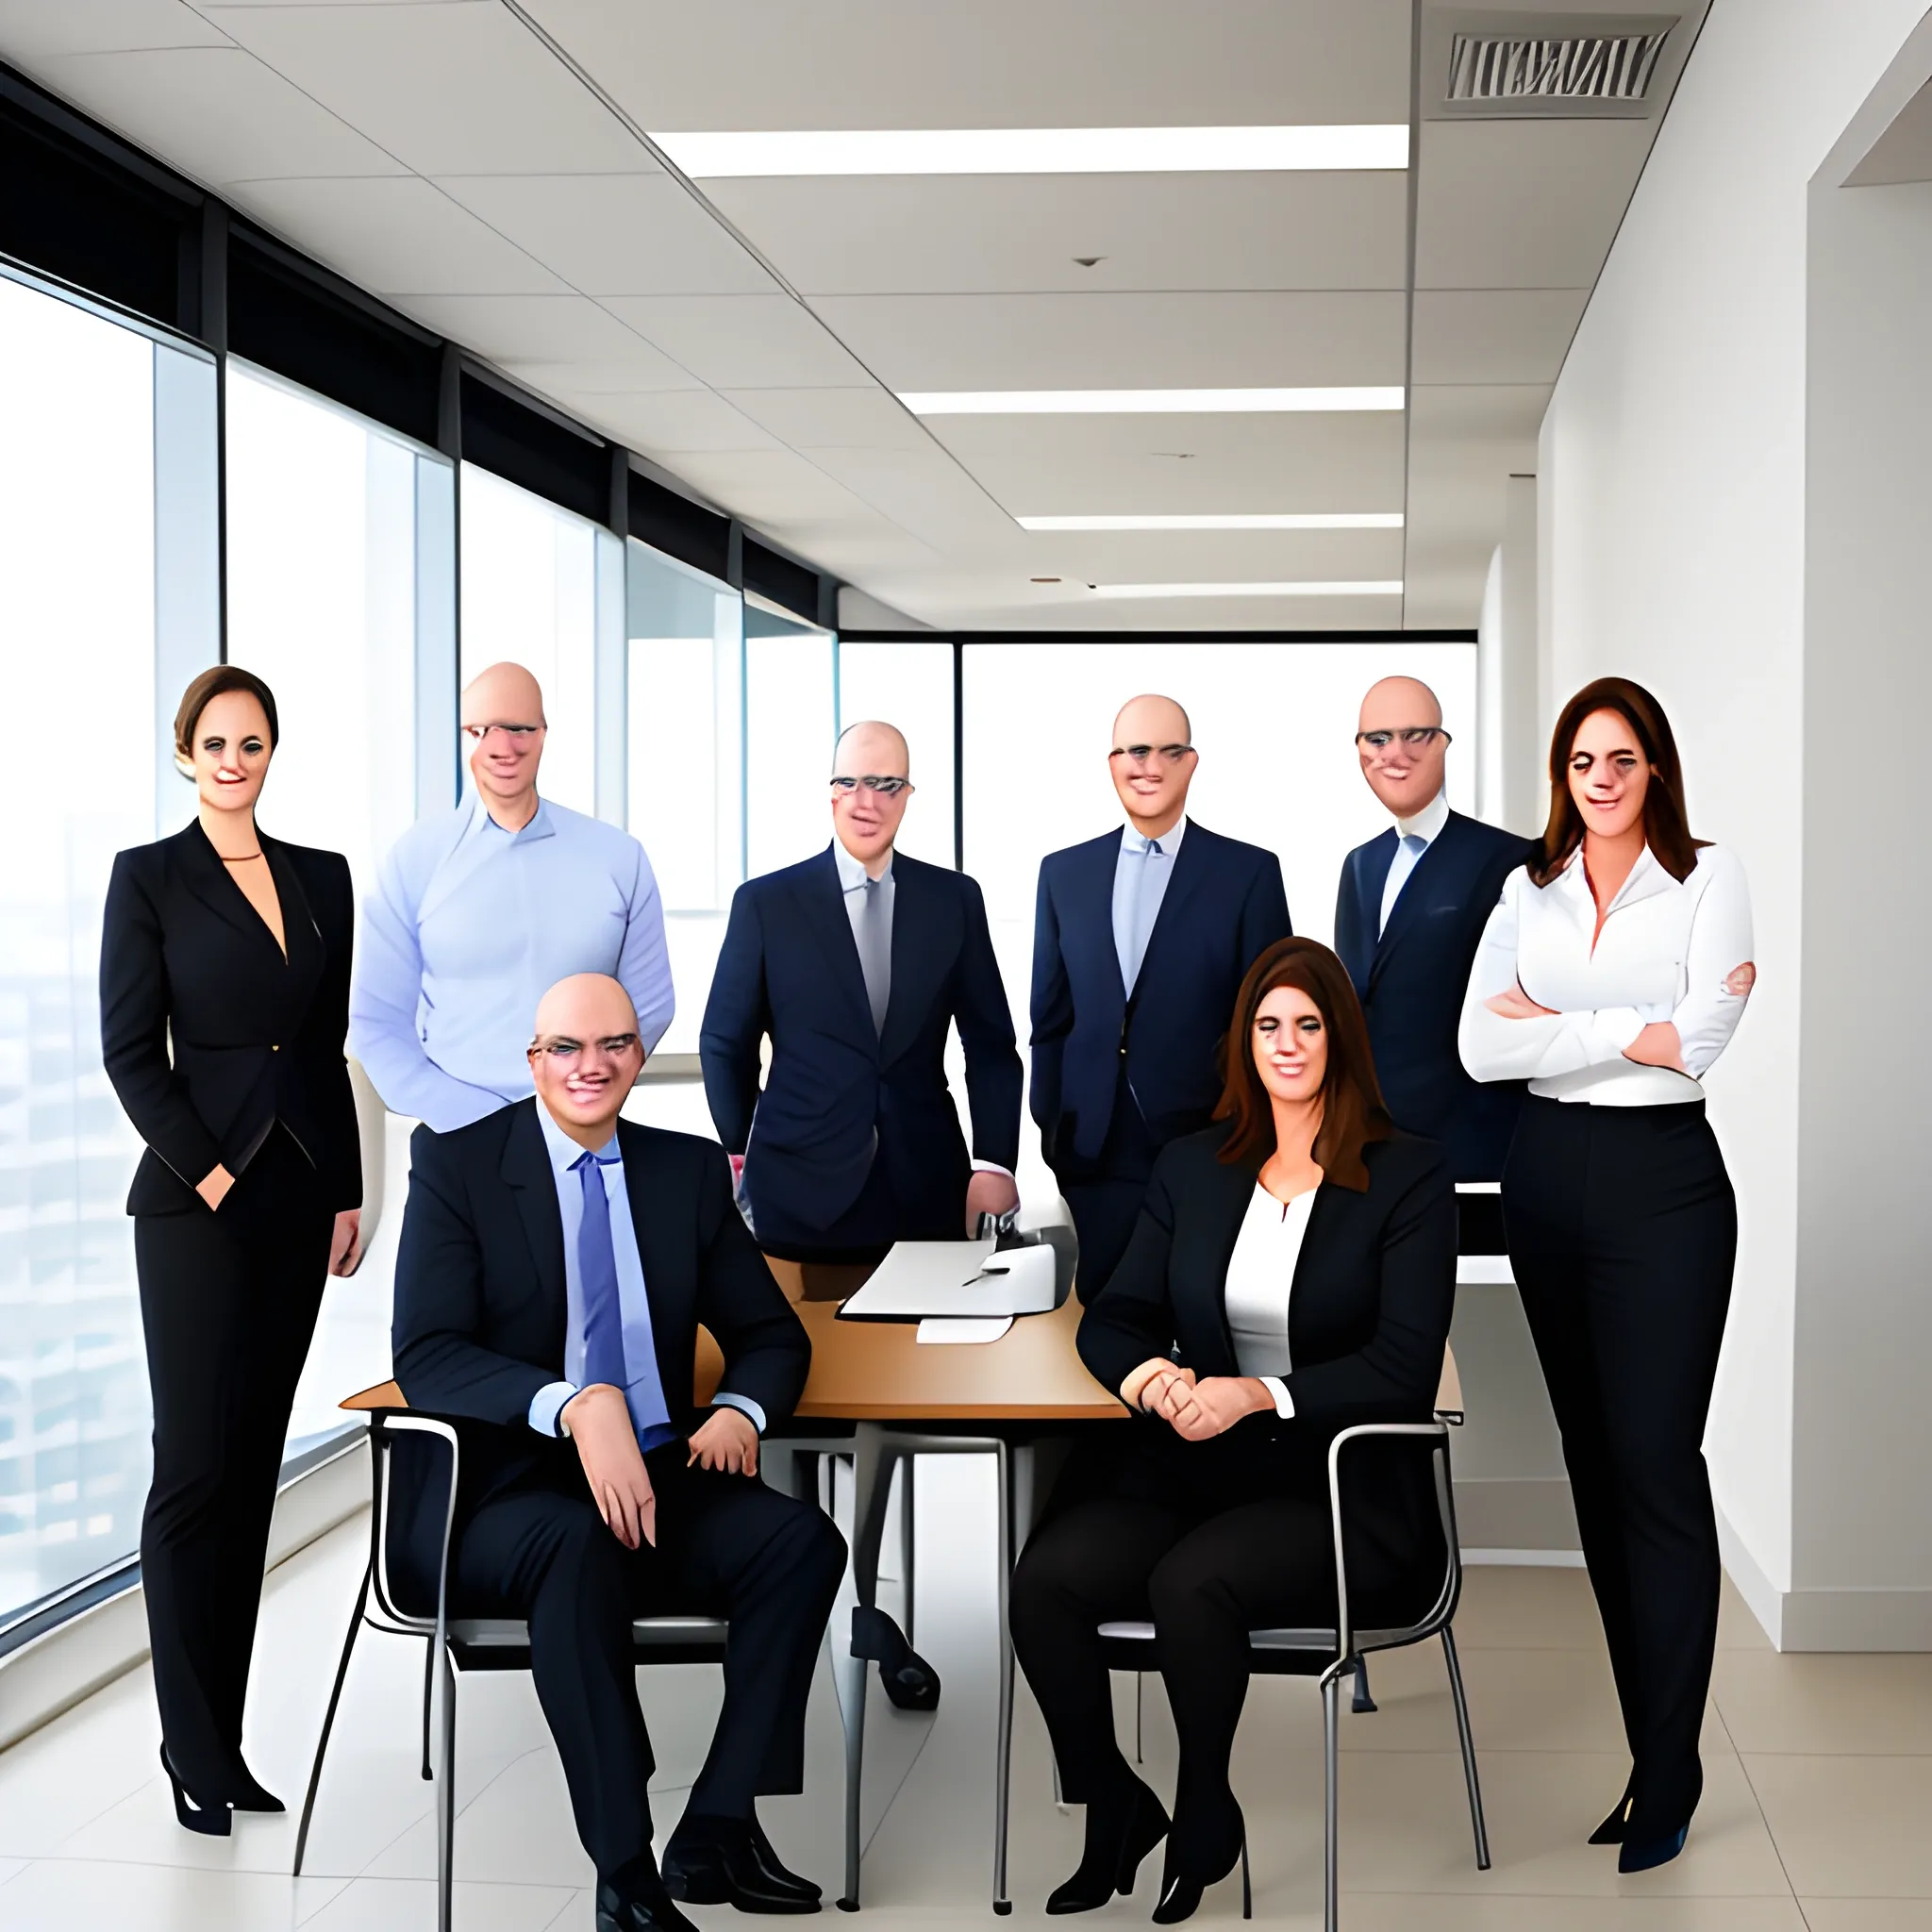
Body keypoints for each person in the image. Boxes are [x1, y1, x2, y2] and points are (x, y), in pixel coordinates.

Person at [1010, 938, 1454, 1923]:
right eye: (1266, 1025)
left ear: (1339, 1036)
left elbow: (1401, 1367)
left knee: (1188, 1582)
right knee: (1044, 1579)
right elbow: (1114, 1309)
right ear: (1242, 1041)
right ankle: (1114, 1802)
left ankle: (1204, 1809)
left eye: (1306, 1023)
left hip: (1337, 1486)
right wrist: (1153, 1376)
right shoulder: (1195, 1166)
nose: (1286, 1043)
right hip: (1195, 1464)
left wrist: (1256, 1395)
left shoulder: (1408, 1174)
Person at [391, 974, 846, 1931]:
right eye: (565, 1046)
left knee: (801, 1541)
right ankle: (625, 1873)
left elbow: (770, 1334)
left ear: (639, 1056)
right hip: (506, 1490)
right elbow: (425, 1352)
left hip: (656, 1474)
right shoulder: (459, 1167)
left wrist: (739, 1411)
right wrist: (569, 1404)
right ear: (533, 1059)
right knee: (573, 1545)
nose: (589, 1065)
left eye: (613, 1045)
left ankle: (715, 1824)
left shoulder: (681, 1172)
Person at [1458, 676, 1754, 1874]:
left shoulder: (1705, 875)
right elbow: (1482, 1045)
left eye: (1621, 758)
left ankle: (1674, 1764)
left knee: (1653, 1466)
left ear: (1654, 770)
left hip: (1662, 1183)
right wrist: (1620, 1021)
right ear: (1560, 773)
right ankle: (1645, 1752)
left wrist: (1567, 1016)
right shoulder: (1523, 886)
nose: (1600, 777)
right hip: (1544, 1176)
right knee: (1591, 1466)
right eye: (1582, 758)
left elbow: (1697, 1040)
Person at [100, 665, 363, 1835]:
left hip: (299, 1199)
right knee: (193, 1471)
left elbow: (323, 1045)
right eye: (214, 741)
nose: (233, 758)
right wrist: (207, 1169)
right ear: (184, 752)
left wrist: (347, 1191)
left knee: (254, 1471)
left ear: (270, 753)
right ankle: (187, 1743)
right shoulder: (147, 878)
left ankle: (230, 1744)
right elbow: (129, 1051)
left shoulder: (323, 880)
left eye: (251, 741)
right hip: (194, 1208)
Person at [700, 719, 1022, 1289]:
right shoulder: (766, 904)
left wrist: (994, 1161)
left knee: (926, 1367)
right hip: (797, 1188)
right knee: (813, 1364)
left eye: (885, 784)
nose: (865, 801)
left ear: (908, 796)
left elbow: (992, 1045)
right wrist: (737, 1145)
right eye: (849, 783)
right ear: (830, 791)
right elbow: (726, 1040)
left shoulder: (955, 900)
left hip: (926, 1185)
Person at [1030, 694, 1291, 1299]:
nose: (1150, 766)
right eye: (1135, 751)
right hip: (1093, 1145)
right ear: (1112, 762)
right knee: (1107, 1310)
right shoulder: (1063, 873)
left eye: (1168, 752)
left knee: (1204, 1310)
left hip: (1210, 1138)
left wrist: (1255, 1130)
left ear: (1191, 763)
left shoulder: (1248, 873)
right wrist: (1051, 1122)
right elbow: (1050, 1016)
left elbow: (1268, 1019)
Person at [350, 660, 674, 1130]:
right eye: (481, 731)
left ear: (544, 733)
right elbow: (377, 1022)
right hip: (453, 1142)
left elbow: (651, 1005)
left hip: (583, 1139)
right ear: (464, 737)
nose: (502, 747)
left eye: (519, 728)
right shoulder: (414, 859)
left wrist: (579, 1102)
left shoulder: (619, 858)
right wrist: (467, 1118)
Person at [1333, 675, 1532, 1243]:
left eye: (1415, 735)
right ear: (1360, 752)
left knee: (1475, 1328)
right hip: (1373, 1157)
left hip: (1472, 1161)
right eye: (1378, 739)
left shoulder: (1508, 860)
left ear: (1444, 743)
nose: (1395, 754)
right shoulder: (1360, 866)